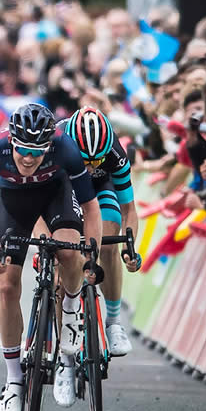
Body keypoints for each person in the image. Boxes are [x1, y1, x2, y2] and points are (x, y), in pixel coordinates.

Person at [0, 102, 102, 411]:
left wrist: (91, 252)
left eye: (37, 152)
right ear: (13, 142)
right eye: (23, 150)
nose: (29, 158)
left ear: (49, 146)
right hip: (14, 204)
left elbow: (91, 206)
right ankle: (14, 379)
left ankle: (70, 312)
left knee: (69, 252)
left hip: (56, 194)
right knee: (6, 285)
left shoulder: (65, 148)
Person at [66, 106, 138, 362]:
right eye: (84, 160)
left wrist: (129, 248)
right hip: (66, 188)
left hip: (100, 188)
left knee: (108, 245)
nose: (89, 166)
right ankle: (61, 330)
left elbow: (129, 209)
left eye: (95, 161)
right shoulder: (58, 143)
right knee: (64, 251)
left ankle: (114, 323)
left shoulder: (116, 154)